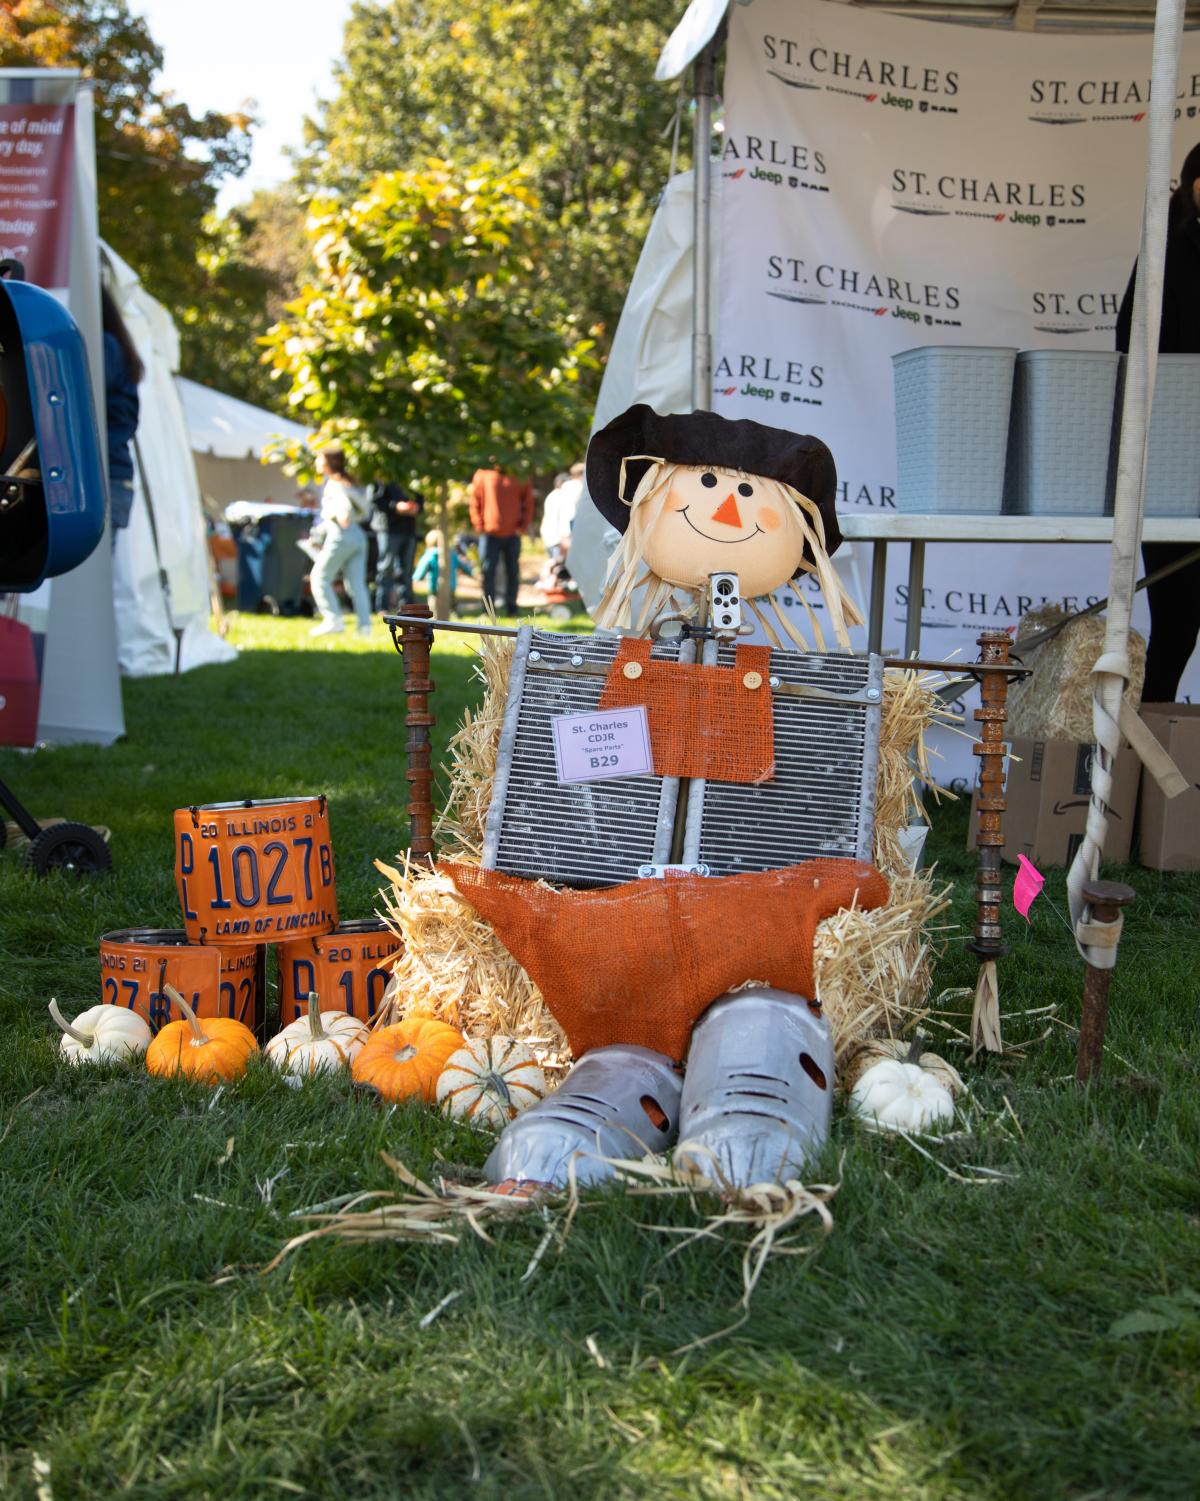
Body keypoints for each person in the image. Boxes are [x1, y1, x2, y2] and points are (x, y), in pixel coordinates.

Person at [1115, 141, 1200, 702]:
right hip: (1174, 460)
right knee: (1177, 619)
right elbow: (1130, 341)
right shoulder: (1167, 247)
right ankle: (1149, 767)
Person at [308, 446, 372, 638]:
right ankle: (364, 627)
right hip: (358, 536)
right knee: (356, 584)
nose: (317, 463)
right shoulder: (348, 482)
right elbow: (366, 510)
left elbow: (343, 506)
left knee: (319, 577)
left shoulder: (334, 485)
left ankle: (333, 619)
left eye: (319, 459)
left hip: (341, 535)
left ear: (328, 462)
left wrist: (344, 515)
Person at [101, 284, 143, 539]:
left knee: (91, 575)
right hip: (115, 475)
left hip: (105, 476)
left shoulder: (105, 346)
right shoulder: (117, 346)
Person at [468, 463, 534, 614]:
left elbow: (528, 503)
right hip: (490, 533)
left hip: (512, 534)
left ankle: (512, 607)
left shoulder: (520, 475)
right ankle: (488, 609)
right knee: (487, 571)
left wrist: (521, 527)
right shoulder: (483, 474)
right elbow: (475, 501)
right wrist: (480, 525)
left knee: (513, 571)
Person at [369, 480, 424, 612]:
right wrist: (396, 506)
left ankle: (407, 607)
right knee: (386, 568)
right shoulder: (383, 474)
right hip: (389, 529)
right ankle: (382, 607)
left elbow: (420, 498)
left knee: (406, 571)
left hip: (409, 530)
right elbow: (376, 500)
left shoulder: (412, 477)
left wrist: (417, 507)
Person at [413, 527, 473, 600]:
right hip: (451, 588)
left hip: (435, 589)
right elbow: (464, 567)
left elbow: (420, 571)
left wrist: (416, 577)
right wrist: (470, 572)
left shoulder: (429, 555)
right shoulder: (452, 554)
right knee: (451, 608)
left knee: (434, 609)